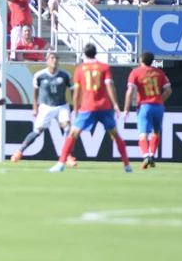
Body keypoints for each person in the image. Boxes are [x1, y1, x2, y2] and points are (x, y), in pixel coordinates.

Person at [49, 43, 132, 173]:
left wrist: (76, 110)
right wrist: (115, 104)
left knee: (72, 134)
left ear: (84, 54)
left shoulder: (80, 69)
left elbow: (76, 93)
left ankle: (60, 164)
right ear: (95, 53)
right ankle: (127, 165)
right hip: (104, 106)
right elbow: (110, 86)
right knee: (115, 135)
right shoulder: (104, 67)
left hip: (88, 107)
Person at [11, 52, 76, 166]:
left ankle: (68, 156)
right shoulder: (39, 75)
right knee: (37, 131)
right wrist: (35, 107)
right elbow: (35, 92)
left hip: (61, 106)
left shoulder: (64, 75)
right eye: (52, 58)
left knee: (67, 129)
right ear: (47, 61)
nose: (54, 60)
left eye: (56, 58)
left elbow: (72, 90)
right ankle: (19, 151)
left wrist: (75, 106)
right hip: (46, 106)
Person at [123, 51, 172, 169]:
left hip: (145, 106)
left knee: (143, 134)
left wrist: (126, 109)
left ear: (141, 60)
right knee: (156, 132)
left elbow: (130, 91)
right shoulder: (159, 73)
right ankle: (152, 155)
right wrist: (160, 99)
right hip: (159, 106)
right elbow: (168, 90)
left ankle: (146, 156)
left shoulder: (135, 72)